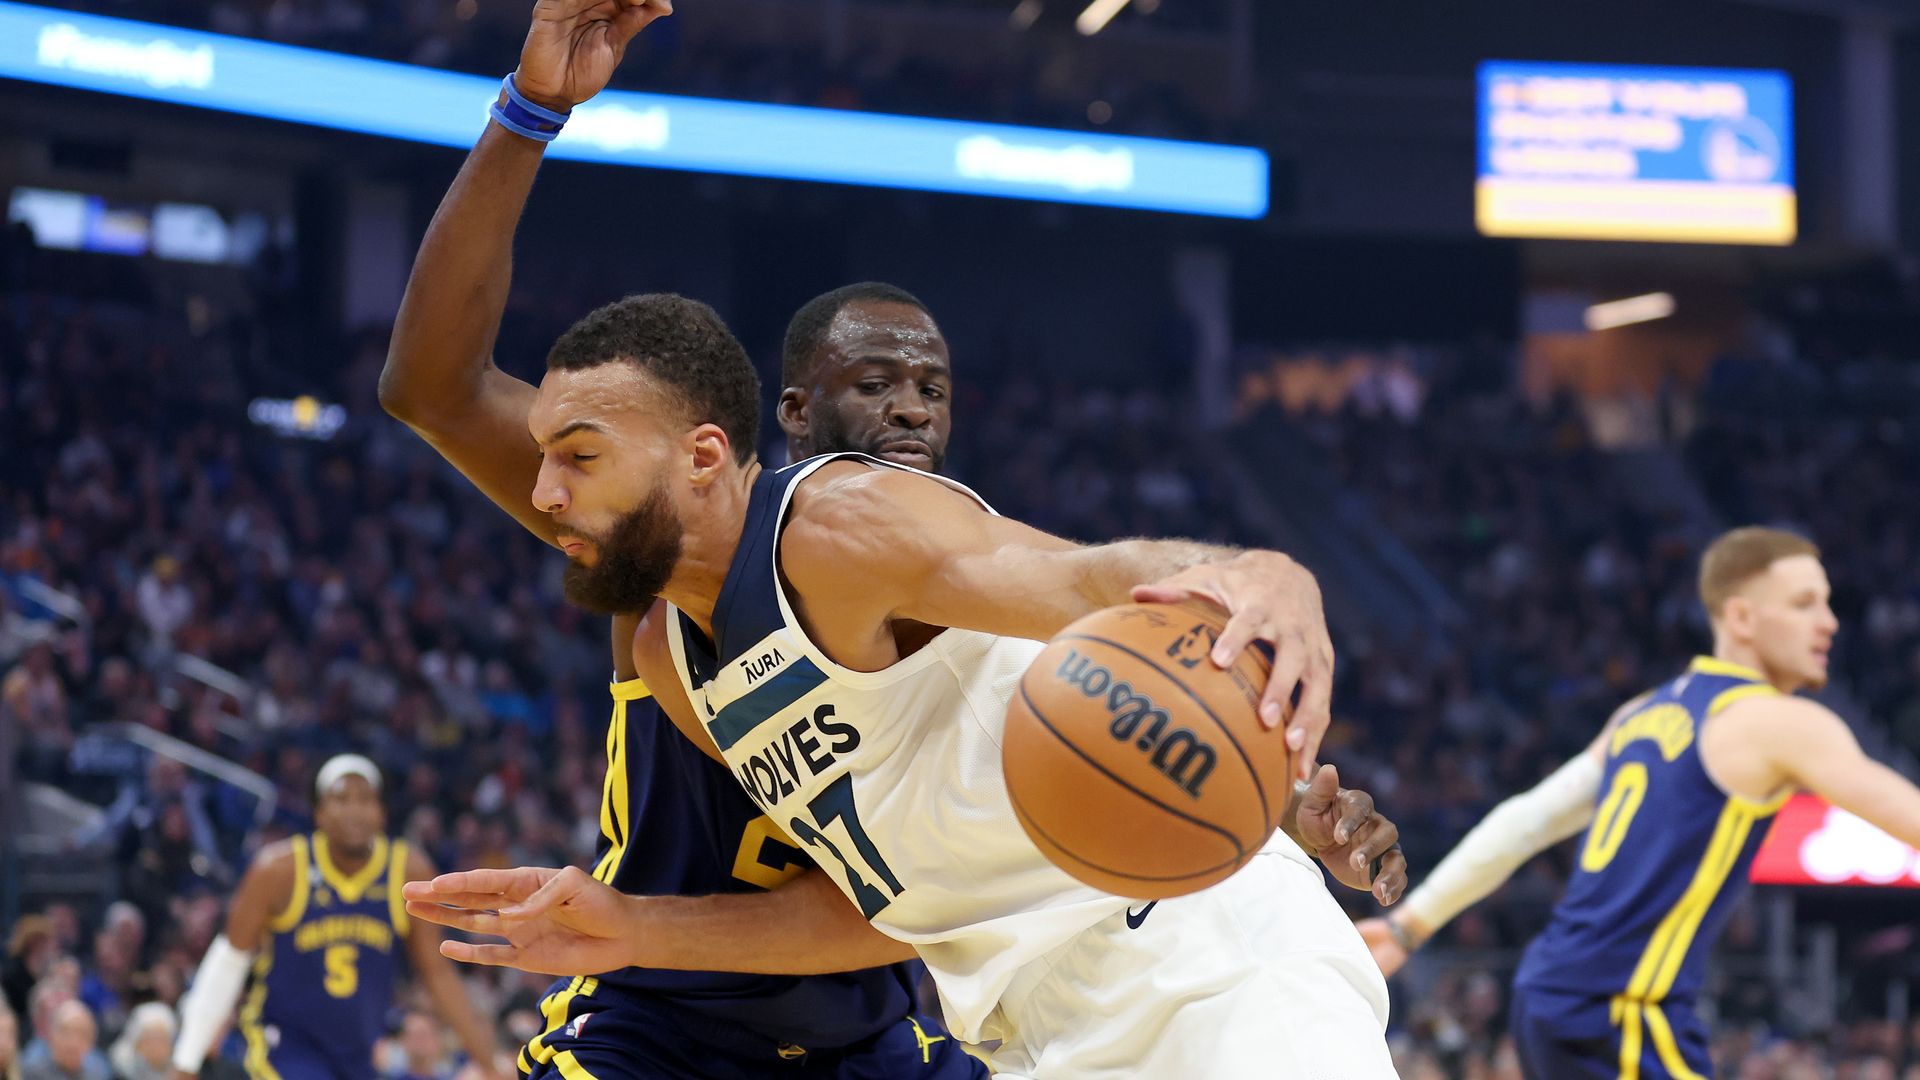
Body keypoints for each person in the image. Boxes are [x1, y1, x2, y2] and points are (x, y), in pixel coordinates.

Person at [378, 4, 1406, 1075]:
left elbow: (1093, 584)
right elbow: (887, 902)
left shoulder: (848, 527)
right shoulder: (674, 645)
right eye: (875, 384)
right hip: (1027, 1029)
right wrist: (632, 927)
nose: (546, 491)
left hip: (1189, 971)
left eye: (932, 388)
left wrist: (1261, 583)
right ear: (786, 413)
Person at [1364, 527, 1920, 1079]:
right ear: (1741, 618)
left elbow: (1528, 819)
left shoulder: (1641, 713)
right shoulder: (1777, 721)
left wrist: (1410, 924)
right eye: (1804, 604)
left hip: (1549, 993)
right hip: (1620, 1009)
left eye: (1826, 603)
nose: (1829, 622)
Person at [167, 756, 503, 1080]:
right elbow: (229, 960)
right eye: (341, 799)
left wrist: (488, 1063)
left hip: (358, 1056)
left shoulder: (407, 871)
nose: (354, 810)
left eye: (365, 799)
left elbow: (437, 974)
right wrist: (187, 1059)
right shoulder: (278, 869)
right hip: (284, 1047)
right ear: (319, 812)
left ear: (382, 812)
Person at [22, 1000, 94, 1080]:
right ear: (50, 1035)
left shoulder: (94, 1075)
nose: (73, 1042)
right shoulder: (29, 1073)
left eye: (82, 1033)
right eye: (66, 1032)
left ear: (91, 1043)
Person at [107, 1003, 173, 1080]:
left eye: (161, 1040)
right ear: (136, 1044)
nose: (155, 1047)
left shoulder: (179, 1073)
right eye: (150, 1040)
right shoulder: (119, 1074)